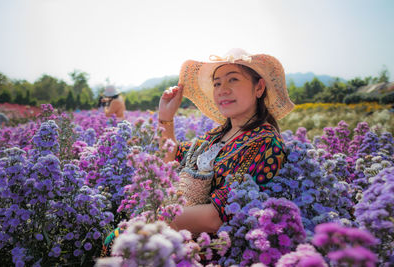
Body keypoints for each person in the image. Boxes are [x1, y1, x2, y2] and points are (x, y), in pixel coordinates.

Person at [101, 48, 295, 256]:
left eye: (233, 80)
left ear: (259, 87)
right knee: (117, 239)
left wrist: (158, 219)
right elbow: (171, 162)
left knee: (121, 242)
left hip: (210, 249)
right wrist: (166, 117)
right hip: (176, 226)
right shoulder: (216, 135)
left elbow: (215, 217)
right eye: (217, 83)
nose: (222, 90)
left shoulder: (265, 142)